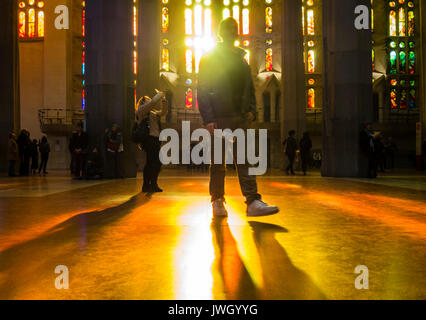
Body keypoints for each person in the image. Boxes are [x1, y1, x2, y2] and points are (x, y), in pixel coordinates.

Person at [198, 17, 279, 218]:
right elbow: (203, 88)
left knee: (245, 160)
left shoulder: (242, 61)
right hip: (219, 116)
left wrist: (252, 110)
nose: (231, 32)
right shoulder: (209, 58)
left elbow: (250, 89)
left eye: (234, 29)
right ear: (220, 33)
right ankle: (217, 200)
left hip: (239, 117)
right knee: (218, 162)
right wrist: (208, 118)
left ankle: (252, 201)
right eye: (228, 29)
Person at [136, 91, 168, 193]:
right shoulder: (141, 110)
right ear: (143, 102)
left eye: (150, 99)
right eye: (147, 99)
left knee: (155, 163)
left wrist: (164, 99)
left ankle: (151, 184)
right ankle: (147, 185)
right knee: (152, 162)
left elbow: (164, 112)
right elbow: (152, 103)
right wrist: (159, 95)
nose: (150, 100)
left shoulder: (153, 113)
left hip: (156, 139)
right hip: (148, 139)